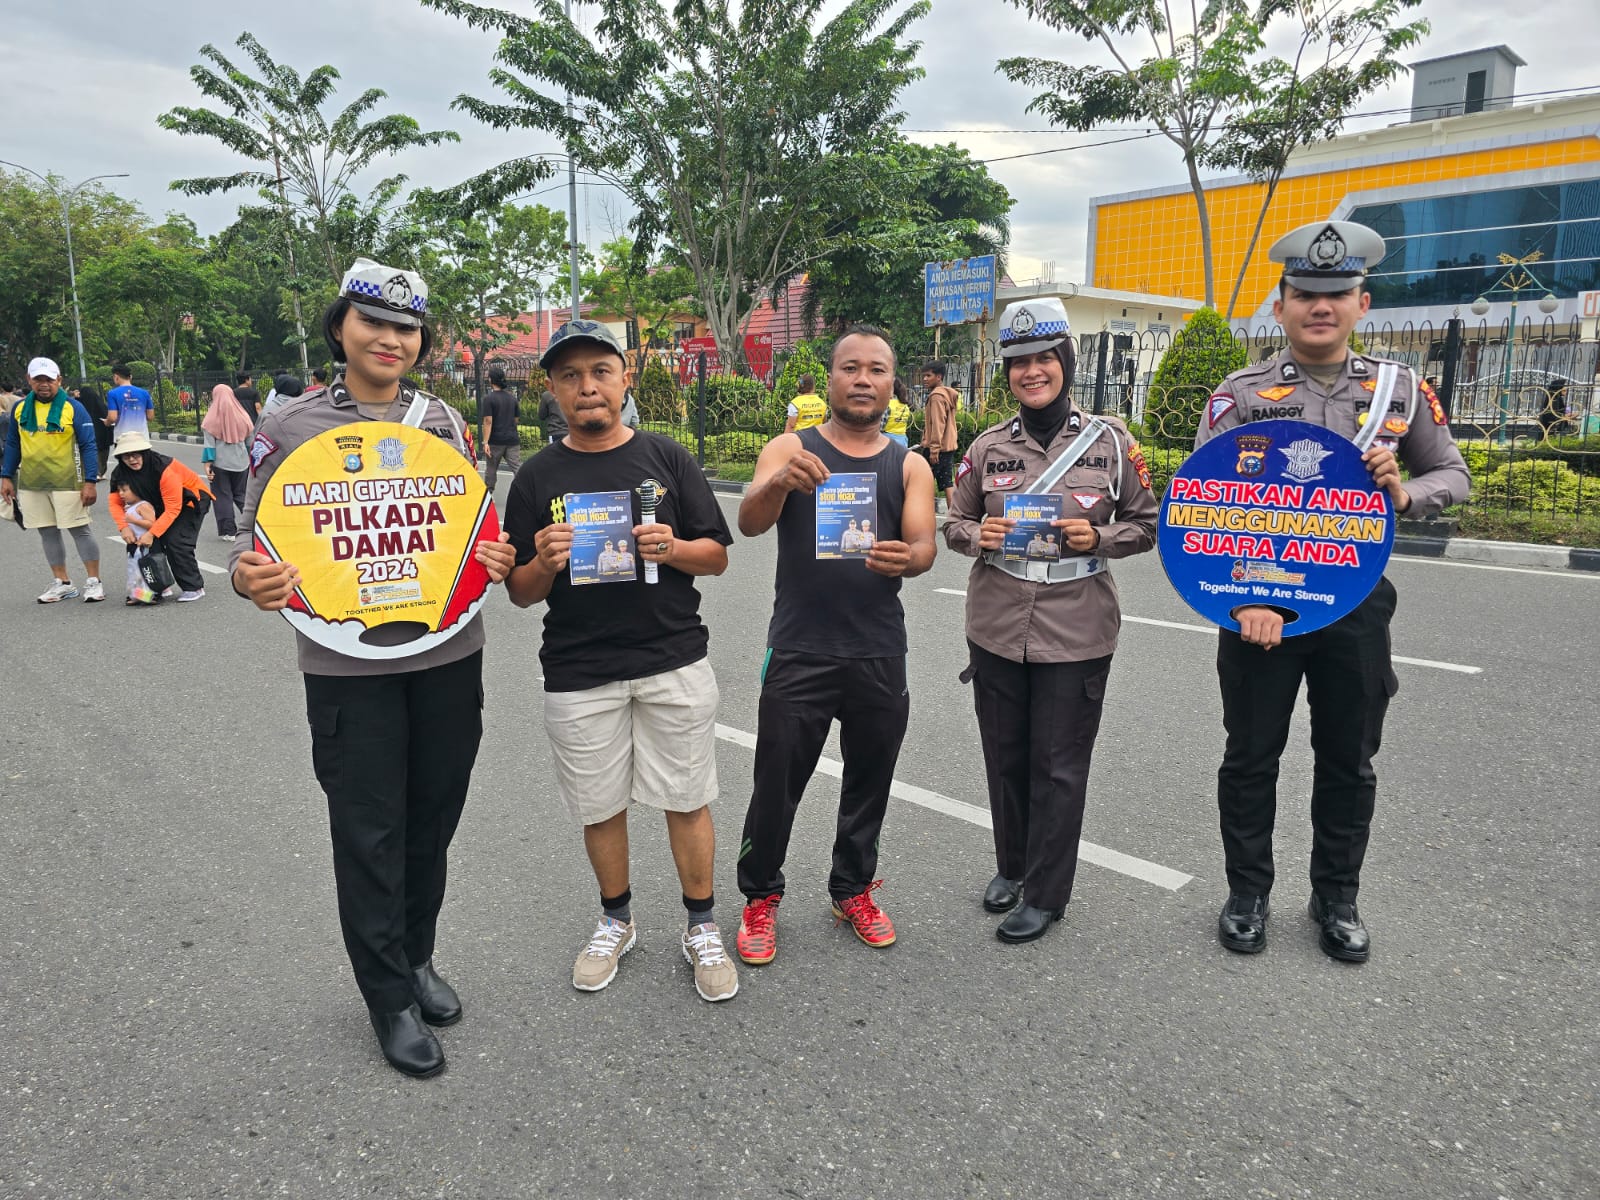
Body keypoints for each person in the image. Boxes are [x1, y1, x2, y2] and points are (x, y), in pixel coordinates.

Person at [229, 257, 517, 1078]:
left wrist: (489, 556)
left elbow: (466, 526)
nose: (390, 339)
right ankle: (387, 995)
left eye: (405, 328)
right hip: (346, 664)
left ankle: (417, 955)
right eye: (373, 323)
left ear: (421, 341)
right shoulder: (288, 428)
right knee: (369, 829)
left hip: (447, 653)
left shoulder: (444, 425)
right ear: (340, 330)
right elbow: (259, 548)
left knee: (434, 815)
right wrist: (254, 581)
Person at [1198, 220, 1470, 964]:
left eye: (1337, 294)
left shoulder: (1399, 390)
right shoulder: (1242, 394)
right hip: (1259, 604)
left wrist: (1407, 494)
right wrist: (1241, 599)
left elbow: (1453, 473)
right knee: (1251, 754)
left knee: (1349, 758)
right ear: (1280, 306)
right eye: (1306, 294)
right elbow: (1199, 509)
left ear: (1362, 303)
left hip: (1355, 602)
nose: (1322, 306)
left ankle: (1336, 898)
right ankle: (1247, 893)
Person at [503, 318, 738, 1004]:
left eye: (600, 371)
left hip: (671, 658)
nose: (587, 387)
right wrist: (543, 564)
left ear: (625, 377)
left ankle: (701, 925)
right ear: (551, 389)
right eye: (570, 376)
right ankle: (616, 919)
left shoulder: (667, 459)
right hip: (579, 670)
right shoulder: (537, 477)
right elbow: (519, 593)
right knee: (600, 807)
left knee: (686, 798)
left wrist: (673, 548)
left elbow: (717, 555)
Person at [945, 298, 1158, 943]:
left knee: (1059, 766)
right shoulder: (986, 449)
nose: (1032, 372)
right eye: (1018, 363)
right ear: (1006, 372)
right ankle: (1012, 866)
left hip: (1078, 624)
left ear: (1066, 361)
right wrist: (977, 533)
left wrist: (1099, 540)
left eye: (1044, 359)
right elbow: (950, 521)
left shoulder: (1112, 444)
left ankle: (1045, 893)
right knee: (1005, 756)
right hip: (997, 622)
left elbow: (1150, 524)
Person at [733, 324, 938, 965]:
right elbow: (748, 520)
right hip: (800, 647)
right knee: (776, 783)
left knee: (870, 781)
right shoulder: (791, 446)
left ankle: (852, 887)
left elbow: (925, 546)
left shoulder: (908, 462)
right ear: (831, 378)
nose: (862, 379)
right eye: (850, 367)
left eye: (876, 369)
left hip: (878, 648)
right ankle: (760, 896)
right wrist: (778, 483)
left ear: (891, 385)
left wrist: (908, 557)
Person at [0, 357, 104, 603]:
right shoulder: (20, 408)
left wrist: (90, 480)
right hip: (33, 482)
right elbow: (14, 443)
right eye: (38, 379)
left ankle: (94, 581)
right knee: (47, 531)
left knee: (80, 530)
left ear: (59, 380)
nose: (43, 384)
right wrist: (6, 476)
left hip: (69, 480)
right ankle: (63, 583)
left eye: (48, 379)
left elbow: (89, 445)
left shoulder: (73, 408)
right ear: (29, 380)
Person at [107, 433, 214, 602]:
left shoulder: (163, 468)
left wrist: (152, 533)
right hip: (158, 503)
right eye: (126, 456)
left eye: (136, 454)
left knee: (175, 540)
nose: (132, 459)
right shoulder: (120, 473)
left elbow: (173, 508)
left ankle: (193, 587)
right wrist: (124, 527)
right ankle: (158, 585)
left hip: (190, 501)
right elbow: (115, 502)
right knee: (143, 539)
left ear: (144, 452)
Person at [201, 383, 254, 541]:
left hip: (220, 464)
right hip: (241, 463)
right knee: (242, 495)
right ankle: (253, 525)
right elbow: (250, 443)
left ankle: (229, 531)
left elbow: (209, 446)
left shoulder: (211, 419)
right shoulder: (243, 416)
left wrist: (207, 465)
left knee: (222, 496)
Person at [921, 363, 961, 515]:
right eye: (924, 375)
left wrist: (934, 449)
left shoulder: (937, 396)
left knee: (924, 483)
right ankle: (953, 518)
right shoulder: (946, 393)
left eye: (928, 375)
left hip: (937, 448)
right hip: (948, 447)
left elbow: (938, 424)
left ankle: (926, 517)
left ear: (939, 377)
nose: (925, 379)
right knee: (947, 483)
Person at [112, 482, 160, 605]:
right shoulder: (129, 506)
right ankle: (136, 594)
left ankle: (151, 594)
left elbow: (152, 524)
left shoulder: (143, 506)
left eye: (124, 490)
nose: (121, 494)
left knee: (146, 570)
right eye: (119, 491)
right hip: (134, 545)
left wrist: (133, 520)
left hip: (145, 544)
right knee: (134, 570)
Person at [480, 364, 522, 491]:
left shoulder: (489, 399)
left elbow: (488, 421)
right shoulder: (512, 398)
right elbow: (516, 419)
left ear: (491, 380)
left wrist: (485, 442)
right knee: (517, 467)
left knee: (491, 469)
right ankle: (524, 490)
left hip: (495, 441)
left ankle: (489, 493)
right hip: (512, 440)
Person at [76, 384, 114, 484]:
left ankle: (95, 473)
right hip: (103, 435)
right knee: (103, 455)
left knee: (91, 453)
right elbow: (108, 419)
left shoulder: (81, 406)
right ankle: (101, 472)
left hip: (89, 435)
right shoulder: (101, 405)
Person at [105, 365, 154, 440]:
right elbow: (150, 417)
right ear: (130, 377)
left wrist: (107, 422)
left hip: (123, 439)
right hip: (142, 438)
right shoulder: (144, 393)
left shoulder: (112, 393)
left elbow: (112, 418)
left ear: (116, 377)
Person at [883, 377, 911, 446]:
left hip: (887, 441)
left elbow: (880, 426)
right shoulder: (905, 406)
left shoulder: (887, 404)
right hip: (902, 440)